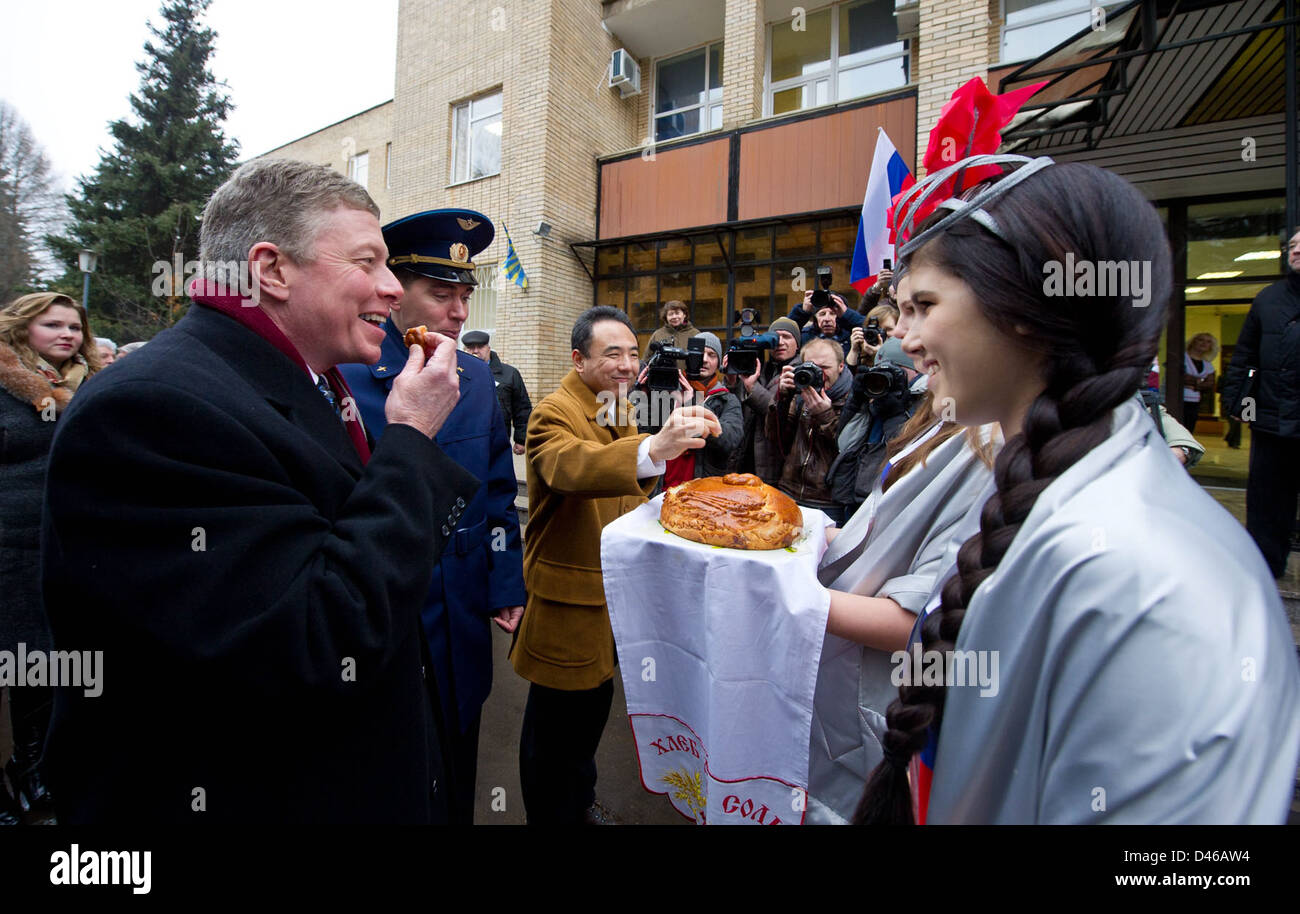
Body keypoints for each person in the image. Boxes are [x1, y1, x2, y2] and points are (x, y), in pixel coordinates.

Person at [854, 158, 1299, 824]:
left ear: (1025, 310)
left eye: (922, 305)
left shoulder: (1148, 579)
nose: (903, 336)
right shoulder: (1047, 486)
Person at [39, 158, 480, 824]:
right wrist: (413, 442)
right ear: (271, 270)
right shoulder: (153, 407)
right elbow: (317, 636)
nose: (393, 289)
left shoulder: (305, 378)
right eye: (368, 262)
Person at [339, 208, 526, 825]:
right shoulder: (346, 376)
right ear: (395, 293)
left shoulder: (475, 379)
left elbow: (498, 490)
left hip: (466, 605)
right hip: (393, 605)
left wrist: (504, 582)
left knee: (461, 742)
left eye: (466, 295)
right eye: (440, 293)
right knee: (397, 770)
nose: (459, 311)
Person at [510, 305, 720, 824]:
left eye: (632, 353)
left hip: (610, 598)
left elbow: (629, 480)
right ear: (578, 359)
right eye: (612, 354)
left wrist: (655, 453)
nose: (627, 364)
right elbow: (570, 467)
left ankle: (579, 805)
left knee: (587, 723)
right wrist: (653, 447)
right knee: (553, 733)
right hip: (567, 602)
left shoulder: (615, 405)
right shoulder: (552, 411)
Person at [0, 292, 101, 824]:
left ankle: (34, 769)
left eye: (74, 326)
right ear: (22, 328)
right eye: (52, 325)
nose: (67, 334)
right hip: (6, 543)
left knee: (43, 659)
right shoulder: (5, 382)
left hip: (63, 542)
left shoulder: (93, 386)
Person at [1221, 228, 1300, 578]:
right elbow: (1244, 356)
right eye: (1293, 246)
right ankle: (1265, 569)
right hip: (1271, 420)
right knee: (1268, 503)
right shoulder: (1268, 299)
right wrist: (1237, 402)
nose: (1296, 251)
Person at [826, 336, 926, 519]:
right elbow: (845, 444)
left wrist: (895, 415)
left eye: (898, 371)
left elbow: (906, 458)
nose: (887, 379)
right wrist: (856, 402)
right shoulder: (874, 397)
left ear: (916, 371)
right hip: (857, 499)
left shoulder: (926, 402)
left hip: (890, 505)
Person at [764, 336, 853, 524]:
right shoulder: (800, 394)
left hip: (827, 501)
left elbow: (848, 451)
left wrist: (825, 416)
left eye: (825, 368)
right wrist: (783, 398)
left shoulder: (853, 400)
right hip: (789, 491)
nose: (819, 374)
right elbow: (774, 438)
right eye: (811, 367)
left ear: (841, 366)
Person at [659, 331, 742, 485]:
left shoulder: (727, 399)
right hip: (663, 482)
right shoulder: (669, 389)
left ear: (719, 363)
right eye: (699, 353)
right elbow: (645, 434)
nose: (704, 360)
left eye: (711, 355)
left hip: (702, 486)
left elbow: (730, 440)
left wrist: (693, 404)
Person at [729, 315, 801, 482]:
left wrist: (752, 388)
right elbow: (738, 409)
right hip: (745, 459)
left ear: (798, 344)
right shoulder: (758, 368)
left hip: (775, 467)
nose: (780, 342)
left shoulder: (800, 373)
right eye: (775, 337)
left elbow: (776, 411)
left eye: (787, 337)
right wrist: (733, 383)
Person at [462, 329, 531, 456]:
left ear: (488, 348)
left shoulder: (510, 374)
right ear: (464, 350)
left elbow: (522, 408)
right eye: (470, 347)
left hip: (498, 441)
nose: (476, 351)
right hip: (464, 440)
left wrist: (521, 439)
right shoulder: (457, 373)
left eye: (480, 346)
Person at [845, 302, 899, 372]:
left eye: (888, 329)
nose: (881, 334)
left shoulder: (905, 356)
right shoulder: (861, 357)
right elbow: (848, 379)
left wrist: (880, 354)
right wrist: (854, 350)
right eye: (877, 330)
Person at [1182, 332, 1217, 432]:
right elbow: (1181, 377)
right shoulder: (1182, 358)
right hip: (1178, 400)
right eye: (1201, 340)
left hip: (1194, 402)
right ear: (1193, 342)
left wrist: (1195, 384)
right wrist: (1200, 381)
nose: (1204, 343)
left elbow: (1210, 383)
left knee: (1189, 430)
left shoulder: (1207, 364)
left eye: (1208, 342)